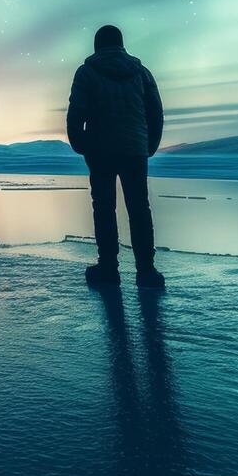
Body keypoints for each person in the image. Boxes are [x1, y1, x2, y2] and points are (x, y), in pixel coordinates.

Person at [66, 24, 165, 287]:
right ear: (121, 45)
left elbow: (76, 114)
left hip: (100, 151)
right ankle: (146, 270)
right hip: (135, 150)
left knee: (104, 208)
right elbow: (155, 113)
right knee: (139, 208)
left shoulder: (87, 73)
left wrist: (82, 145)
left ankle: (108, 268)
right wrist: (149, 145)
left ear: (97, 45)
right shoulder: (141, 73)